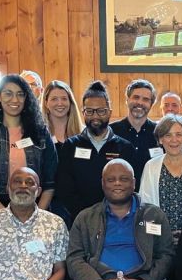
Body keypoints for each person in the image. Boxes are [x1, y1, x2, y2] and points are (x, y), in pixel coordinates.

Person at [52, 80, 136, 226]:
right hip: (80, 221)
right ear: (83, 112)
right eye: (89, 111)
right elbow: (64, 190)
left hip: (116, 221)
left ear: (109, 111)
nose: (95, 116)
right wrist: (87, 216)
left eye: (101, 111)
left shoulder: (125, 148)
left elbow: (131, 188)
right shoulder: (70, 146)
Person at [0, 73, 57, 214]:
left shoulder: (40, 133)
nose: (14, 99)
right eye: (8, 94)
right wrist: (4, 214)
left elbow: (50, 181)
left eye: (20, 94)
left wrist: (38, 214)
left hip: (36, 208)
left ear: (26, 98)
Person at [138, 114, 182, 238]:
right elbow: (146, 205)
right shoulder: (151, 166)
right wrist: (163, 234)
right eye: (168, 135)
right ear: (160, 140)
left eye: (178, 134)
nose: (174, 140)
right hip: (162, 239)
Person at [110, 79, 159, 181]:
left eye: (145, 99)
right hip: (118, 194)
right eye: (136, 97)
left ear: (151, 104)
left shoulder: (160, 132)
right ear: (127, 100)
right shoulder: (111, 131)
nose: (140, 102)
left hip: (152, 194)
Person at [42, 80, 82, 144]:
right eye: (54, 99)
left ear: (70, 102)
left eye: (64, 99)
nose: (60, 103)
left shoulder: (83, 132)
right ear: (46, 103)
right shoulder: (38, 133)